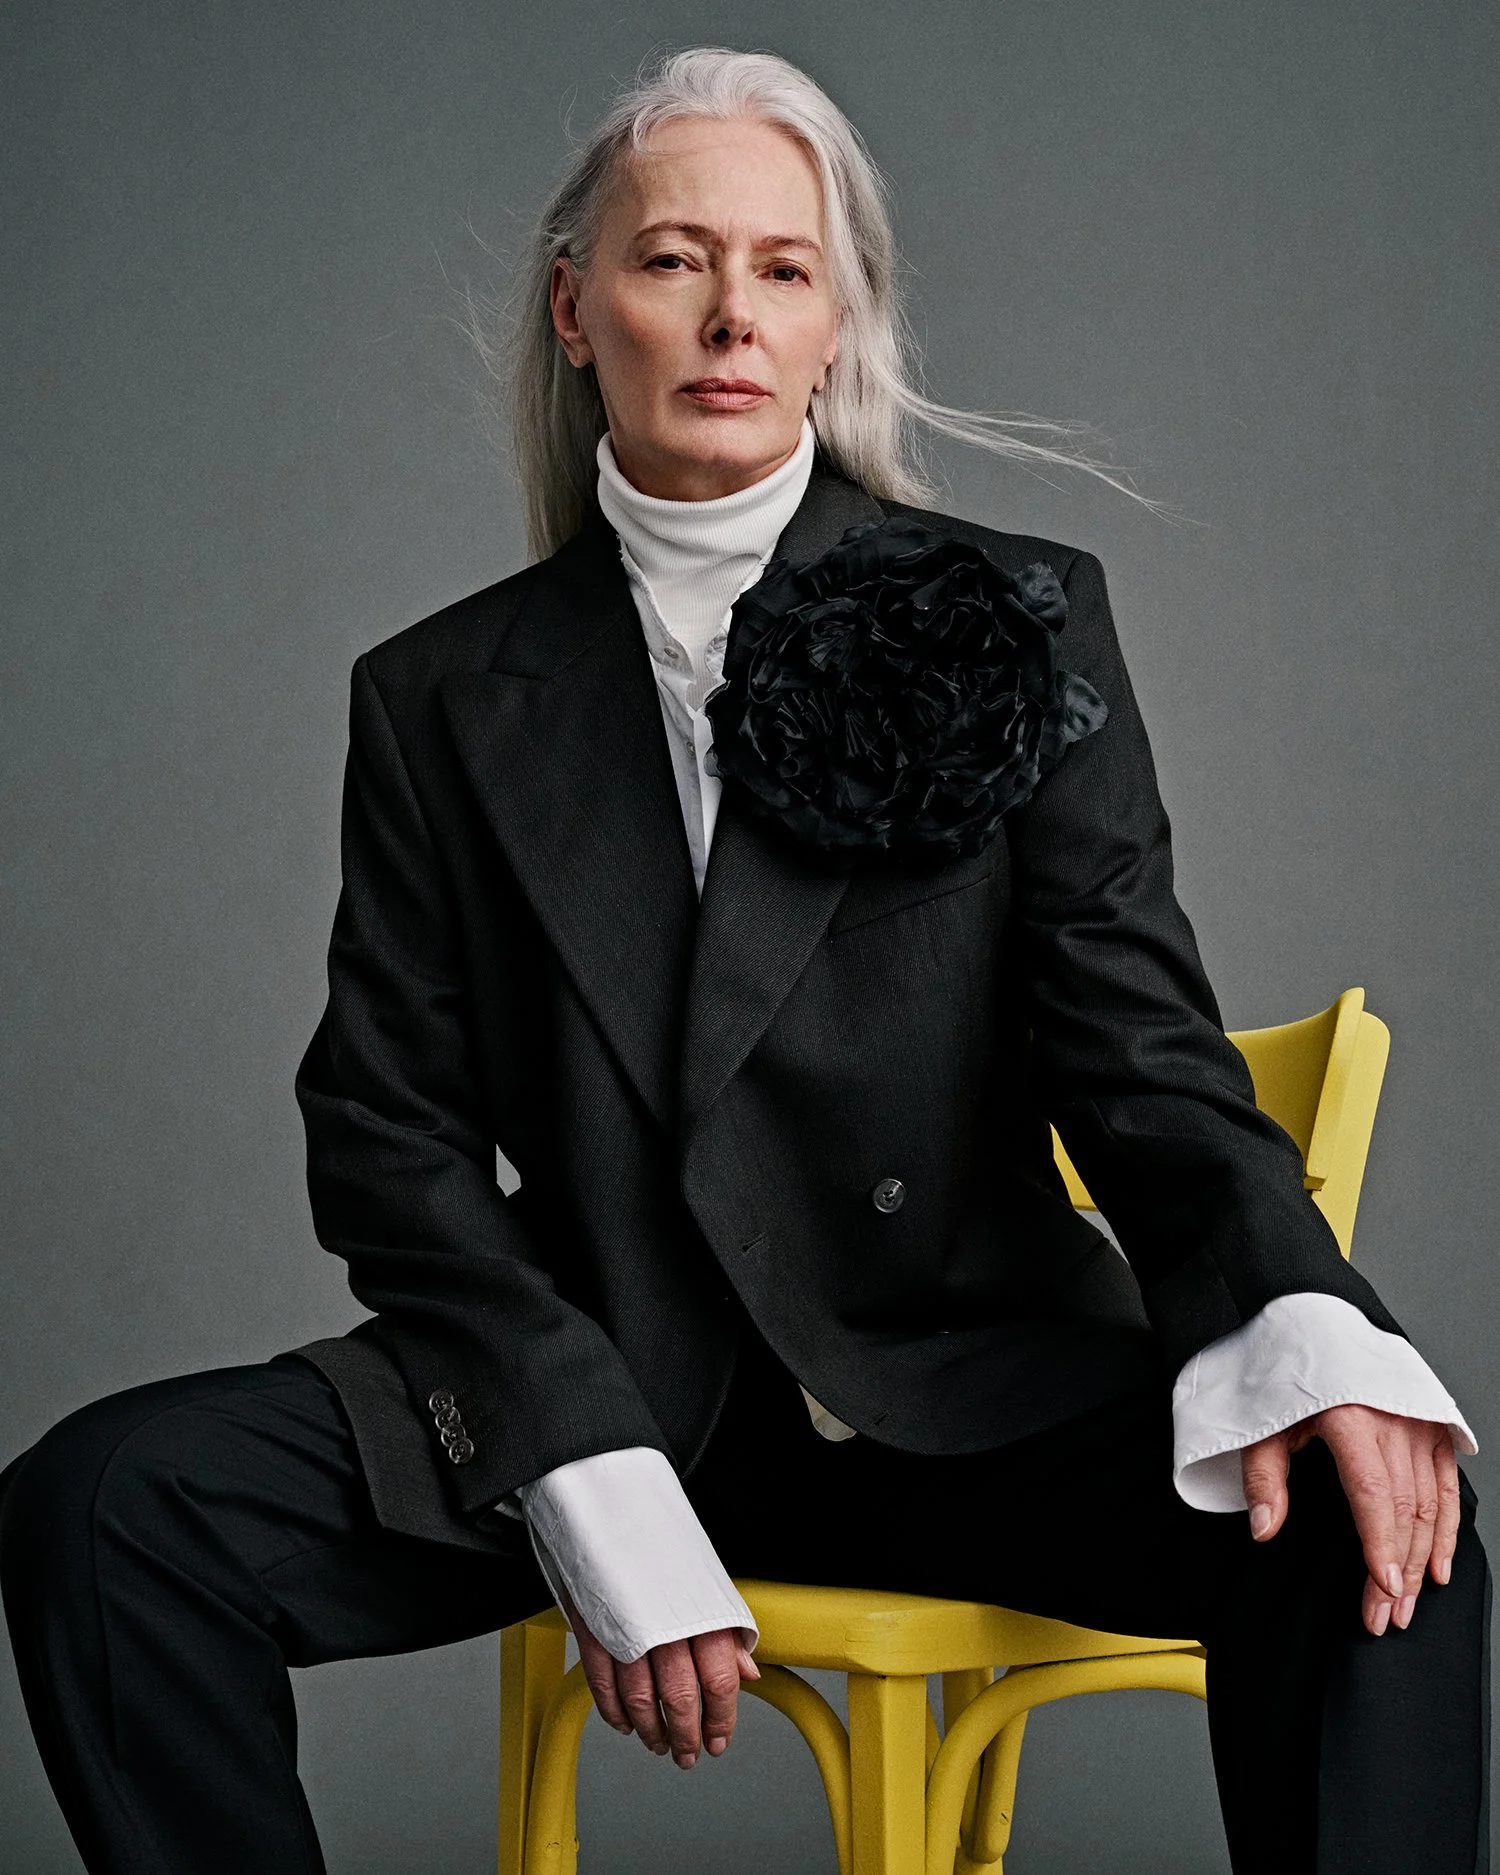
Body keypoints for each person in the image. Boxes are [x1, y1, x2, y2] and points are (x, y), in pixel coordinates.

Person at [0, 44, 1488, 1875]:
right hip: (619, 1378)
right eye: (672, 258)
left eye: (784, 267)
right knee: (104, 1508)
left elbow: (1143, 1055)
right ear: (575, 306)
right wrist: (583, 1453)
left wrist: (1312, 1325)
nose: (729, 314)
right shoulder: (441, 698)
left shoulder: (1014, 615)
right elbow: (386, 1139)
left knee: (1369, 1516)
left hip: (966, 1398)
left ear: (837, 315)